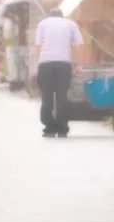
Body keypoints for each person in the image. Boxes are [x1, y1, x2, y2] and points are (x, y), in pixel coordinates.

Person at [35, 8, 83, 138]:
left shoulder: (42, 24)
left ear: (50, 15)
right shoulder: (70, 24)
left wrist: (38, 64)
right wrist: (77, 65)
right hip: (63, 64)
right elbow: (78, 45)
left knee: (47, 97)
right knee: (62, 97)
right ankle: (62, 129)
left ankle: (49, 128)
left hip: (45, 63)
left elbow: (38, 46)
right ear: (63, 16)